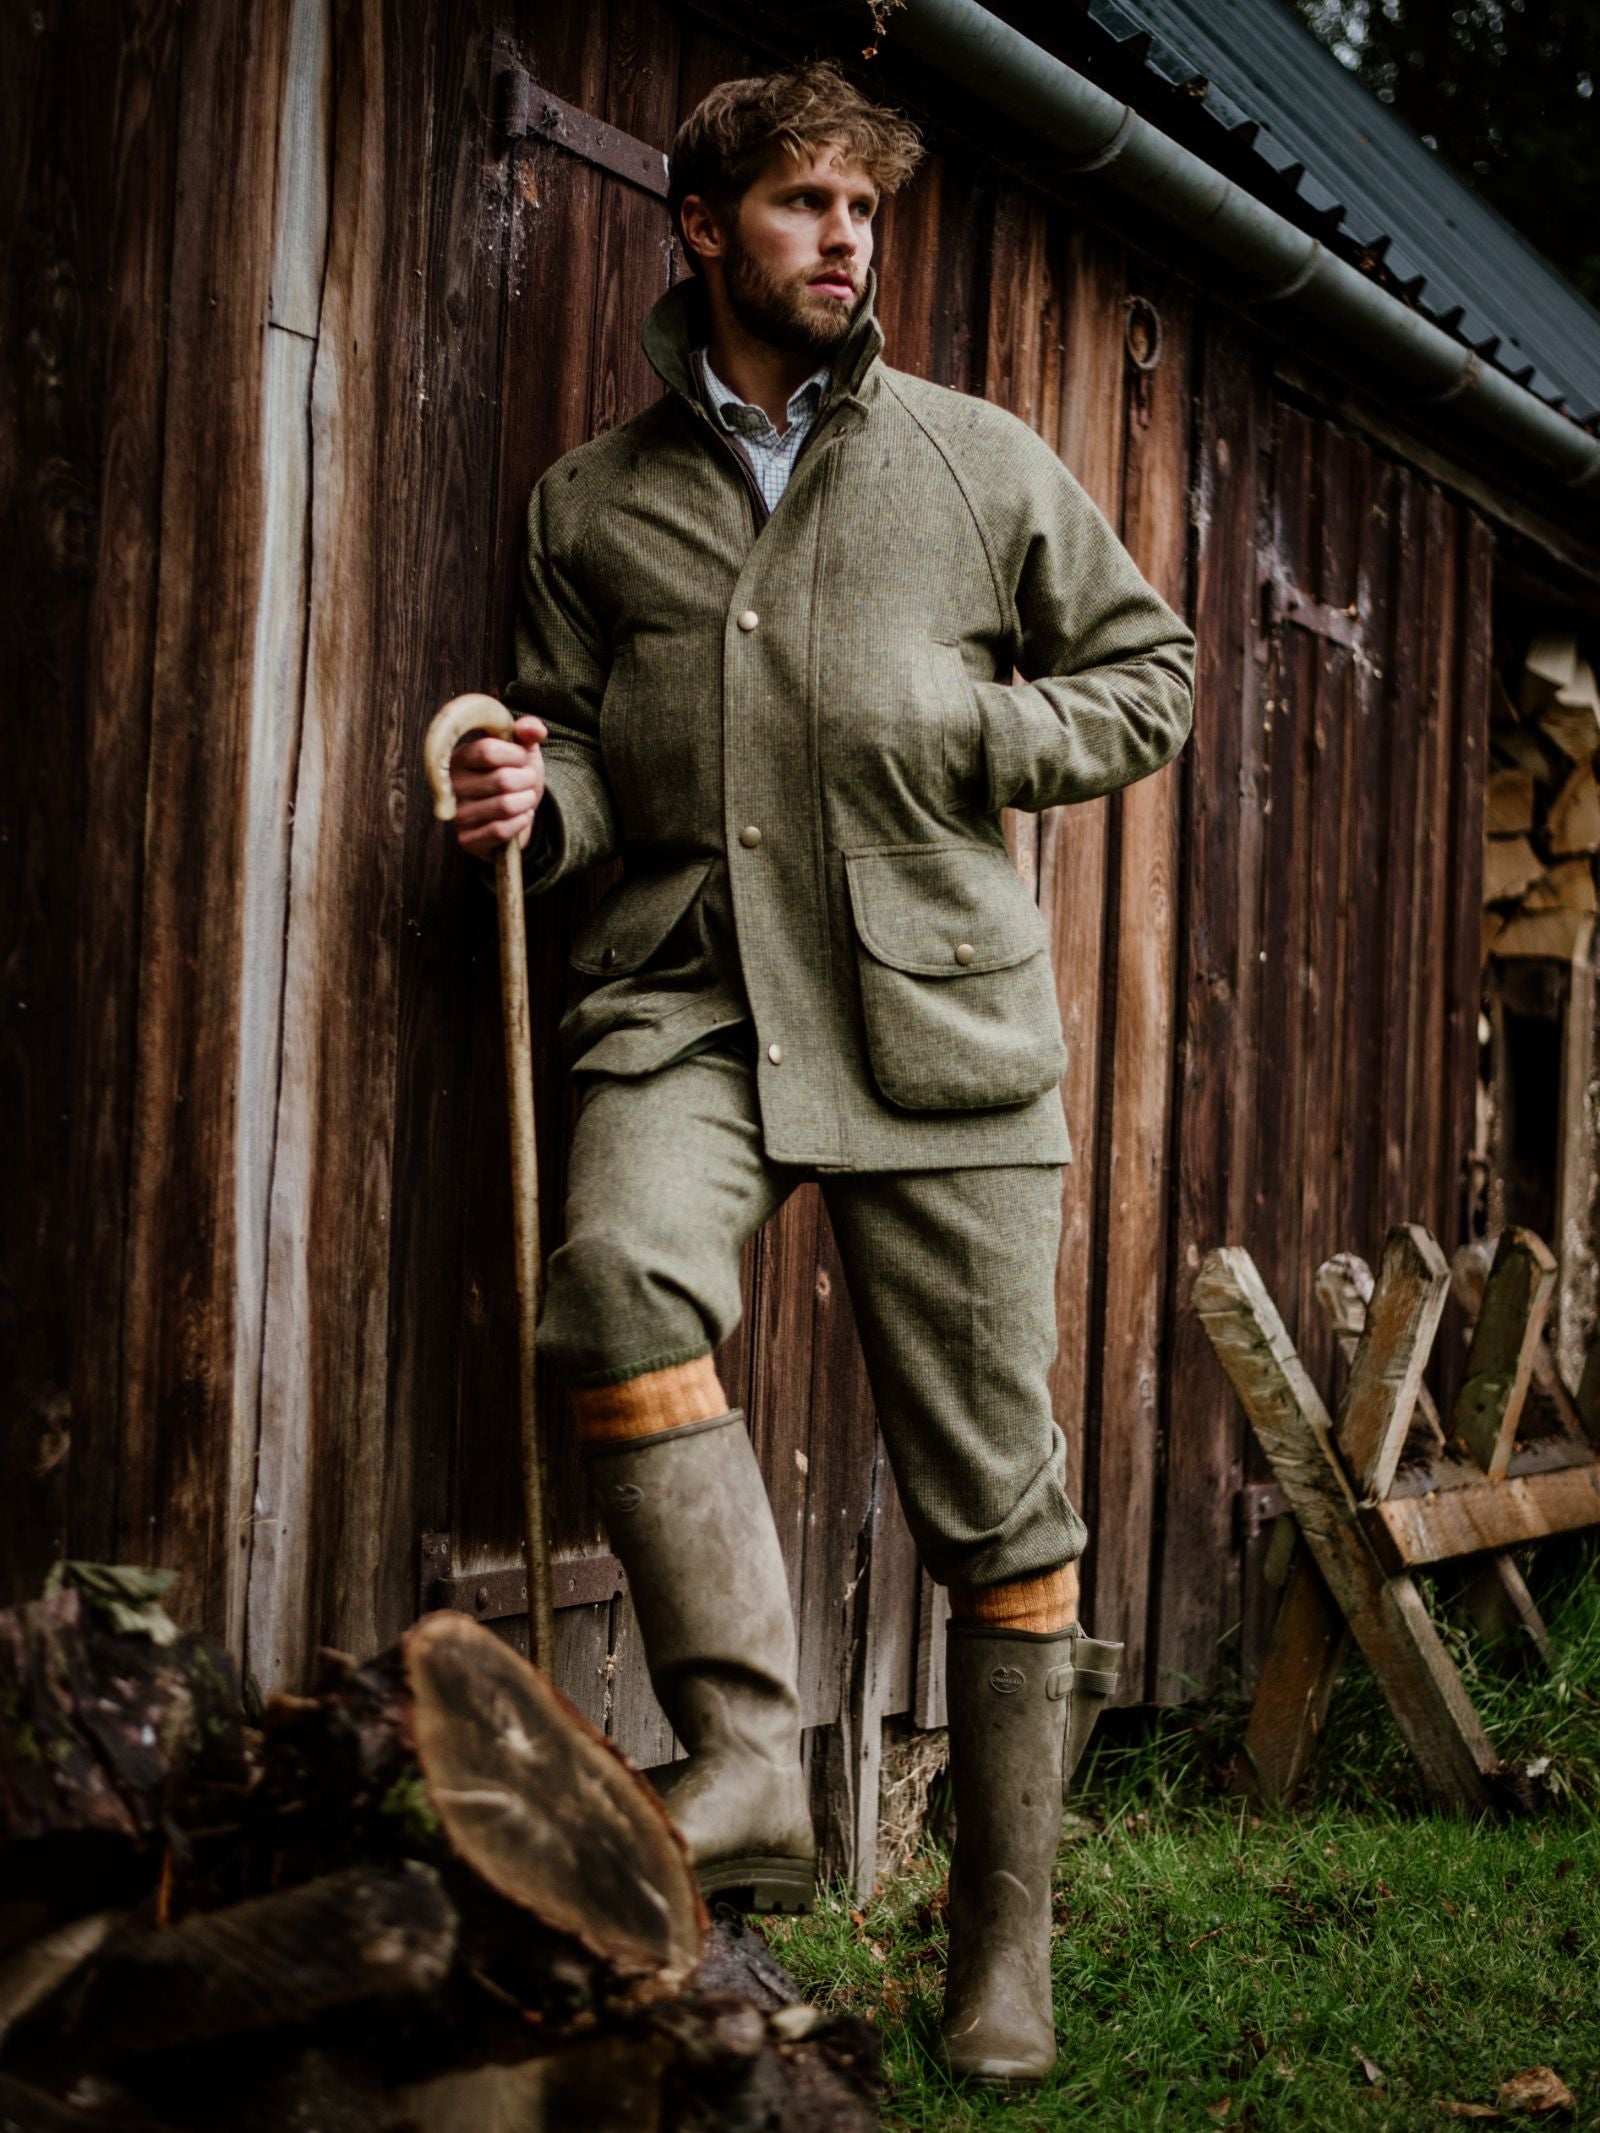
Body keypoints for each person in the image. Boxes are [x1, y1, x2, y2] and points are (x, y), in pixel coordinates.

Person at [446, 60, 1194, 2088]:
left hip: (930, 1022)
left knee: (992, 1493)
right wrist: (535, 785)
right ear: (703, 227)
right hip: (686, 993)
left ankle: (1000, 1955)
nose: (841, 239)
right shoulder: (588, 504)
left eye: (859, 210)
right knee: (611, 1277)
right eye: (798, 205)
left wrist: (968, 736)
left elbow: (1151, 674)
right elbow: (581, 742)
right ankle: (752, 1756)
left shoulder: (972, 462)